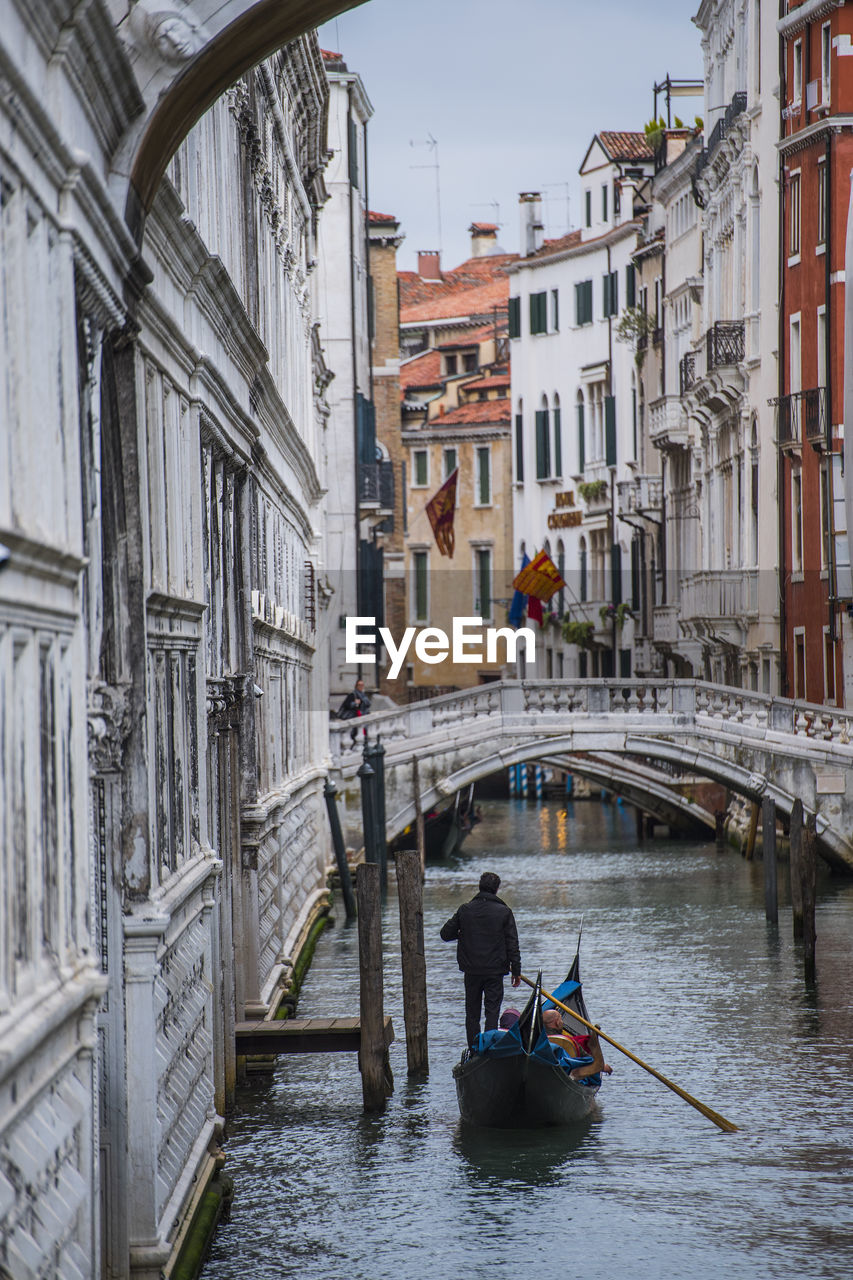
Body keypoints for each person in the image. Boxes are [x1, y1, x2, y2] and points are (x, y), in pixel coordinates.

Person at [440, 871, 521, 1047]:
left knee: (472, 1014)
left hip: (472, 971)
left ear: (479, 887)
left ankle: (474, 1049)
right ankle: (489, 1047)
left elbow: (445, 934)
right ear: (497, 889)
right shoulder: (504, 912)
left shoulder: (465, 910)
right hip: (495, 971)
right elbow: (512, 943)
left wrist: (462, 933)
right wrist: (517, 971)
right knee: (492, 1012)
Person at [542, 1008, 612, 1079]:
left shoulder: (537, 1040)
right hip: (567, 1075)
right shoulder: (569, 1041)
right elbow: (587, 1059)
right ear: (557, 1022)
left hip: (544, 1073)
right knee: (594, 1064)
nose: (562, 1022)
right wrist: (602, 1067)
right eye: (561, 1019)